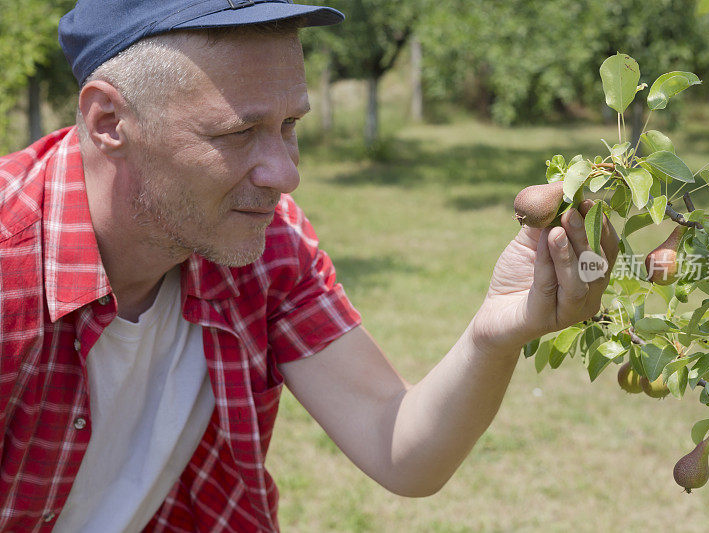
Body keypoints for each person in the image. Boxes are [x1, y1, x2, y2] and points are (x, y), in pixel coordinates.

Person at [0, 1, 618, 531]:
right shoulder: (10, 270)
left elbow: (400, 447)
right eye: (239, 132)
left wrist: (493, 332)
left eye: (289, 125)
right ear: (109, 121)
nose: (286, 174)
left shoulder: (266, 245)